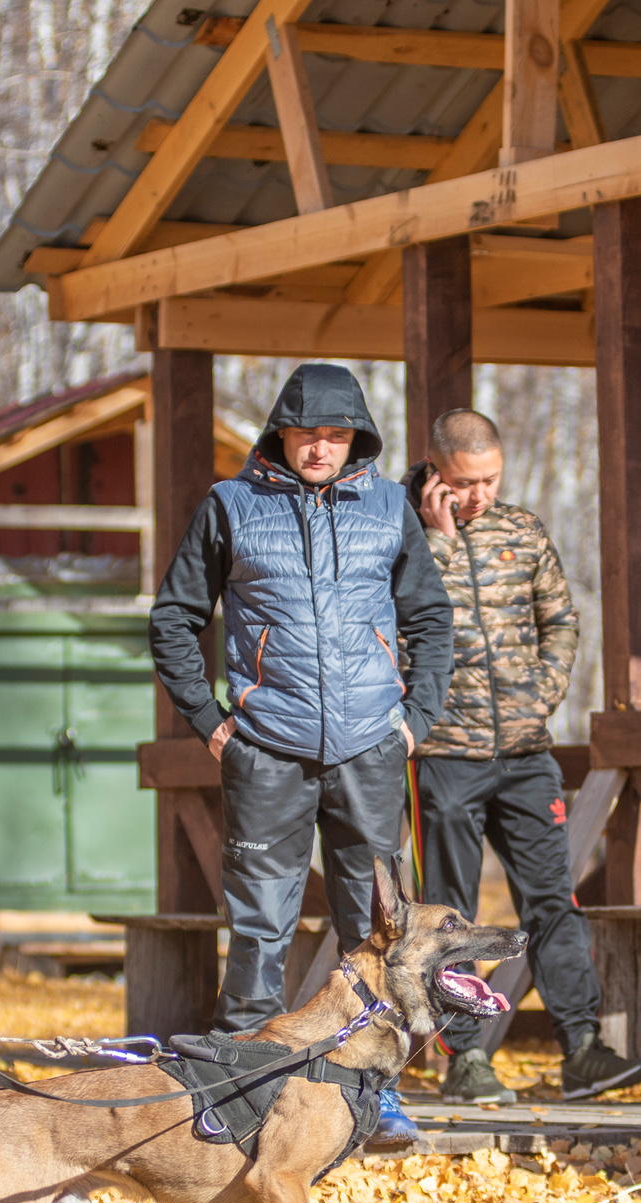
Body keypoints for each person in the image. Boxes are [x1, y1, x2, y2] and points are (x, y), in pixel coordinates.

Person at [149, 365, 454, 1137]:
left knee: (379, 934)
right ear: (279, 433)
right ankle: (241, 1093)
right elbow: (174, 620)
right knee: (260, 931)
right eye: (306, 433)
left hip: (371, 752)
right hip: (267, 754)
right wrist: (212, 722)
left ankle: (373, 1094)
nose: (320, 447)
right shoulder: (230, 506)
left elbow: (432, 620)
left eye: (335, 434)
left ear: (357, 438)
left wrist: (413, 719)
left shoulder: (388, 509)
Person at [407, 409, 641, 1104]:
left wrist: (542, 693)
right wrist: (441, 543)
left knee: (553, 899)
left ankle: (582, 1048)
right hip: (444, 753)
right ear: (434, 472)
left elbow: (560, 620)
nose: (479, 494)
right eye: (464, 482)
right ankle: (465, 1058)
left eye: (491, 480)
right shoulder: (402, 537)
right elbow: (401, 622)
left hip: (525, 753)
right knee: (449, 915)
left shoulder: (524, 531)